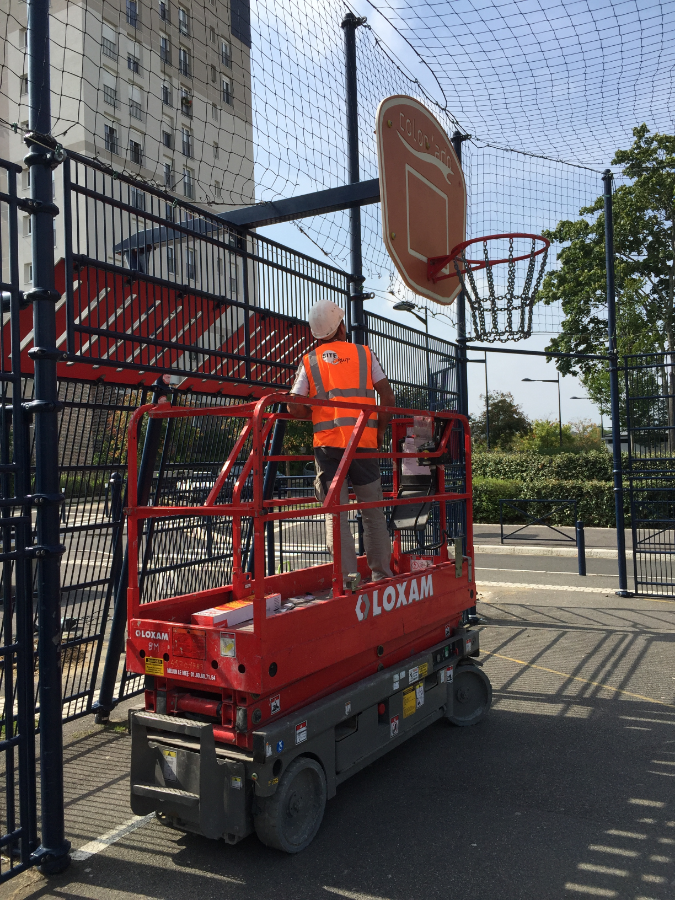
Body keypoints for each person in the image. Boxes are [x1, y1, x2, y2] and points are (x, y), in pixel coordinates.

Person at [287, 298, 394, 583]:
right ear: (341, 328)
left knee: (336, 516)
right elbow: (388, 397)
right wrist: (380, 431)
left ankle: (348, 581)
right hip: (364, 445)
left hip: (328, 448)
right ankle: (381, 575)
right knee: (373, 514)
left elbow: (294, 406)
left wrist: (317, 410)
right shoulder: (364, 354)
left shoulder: (309, 361)